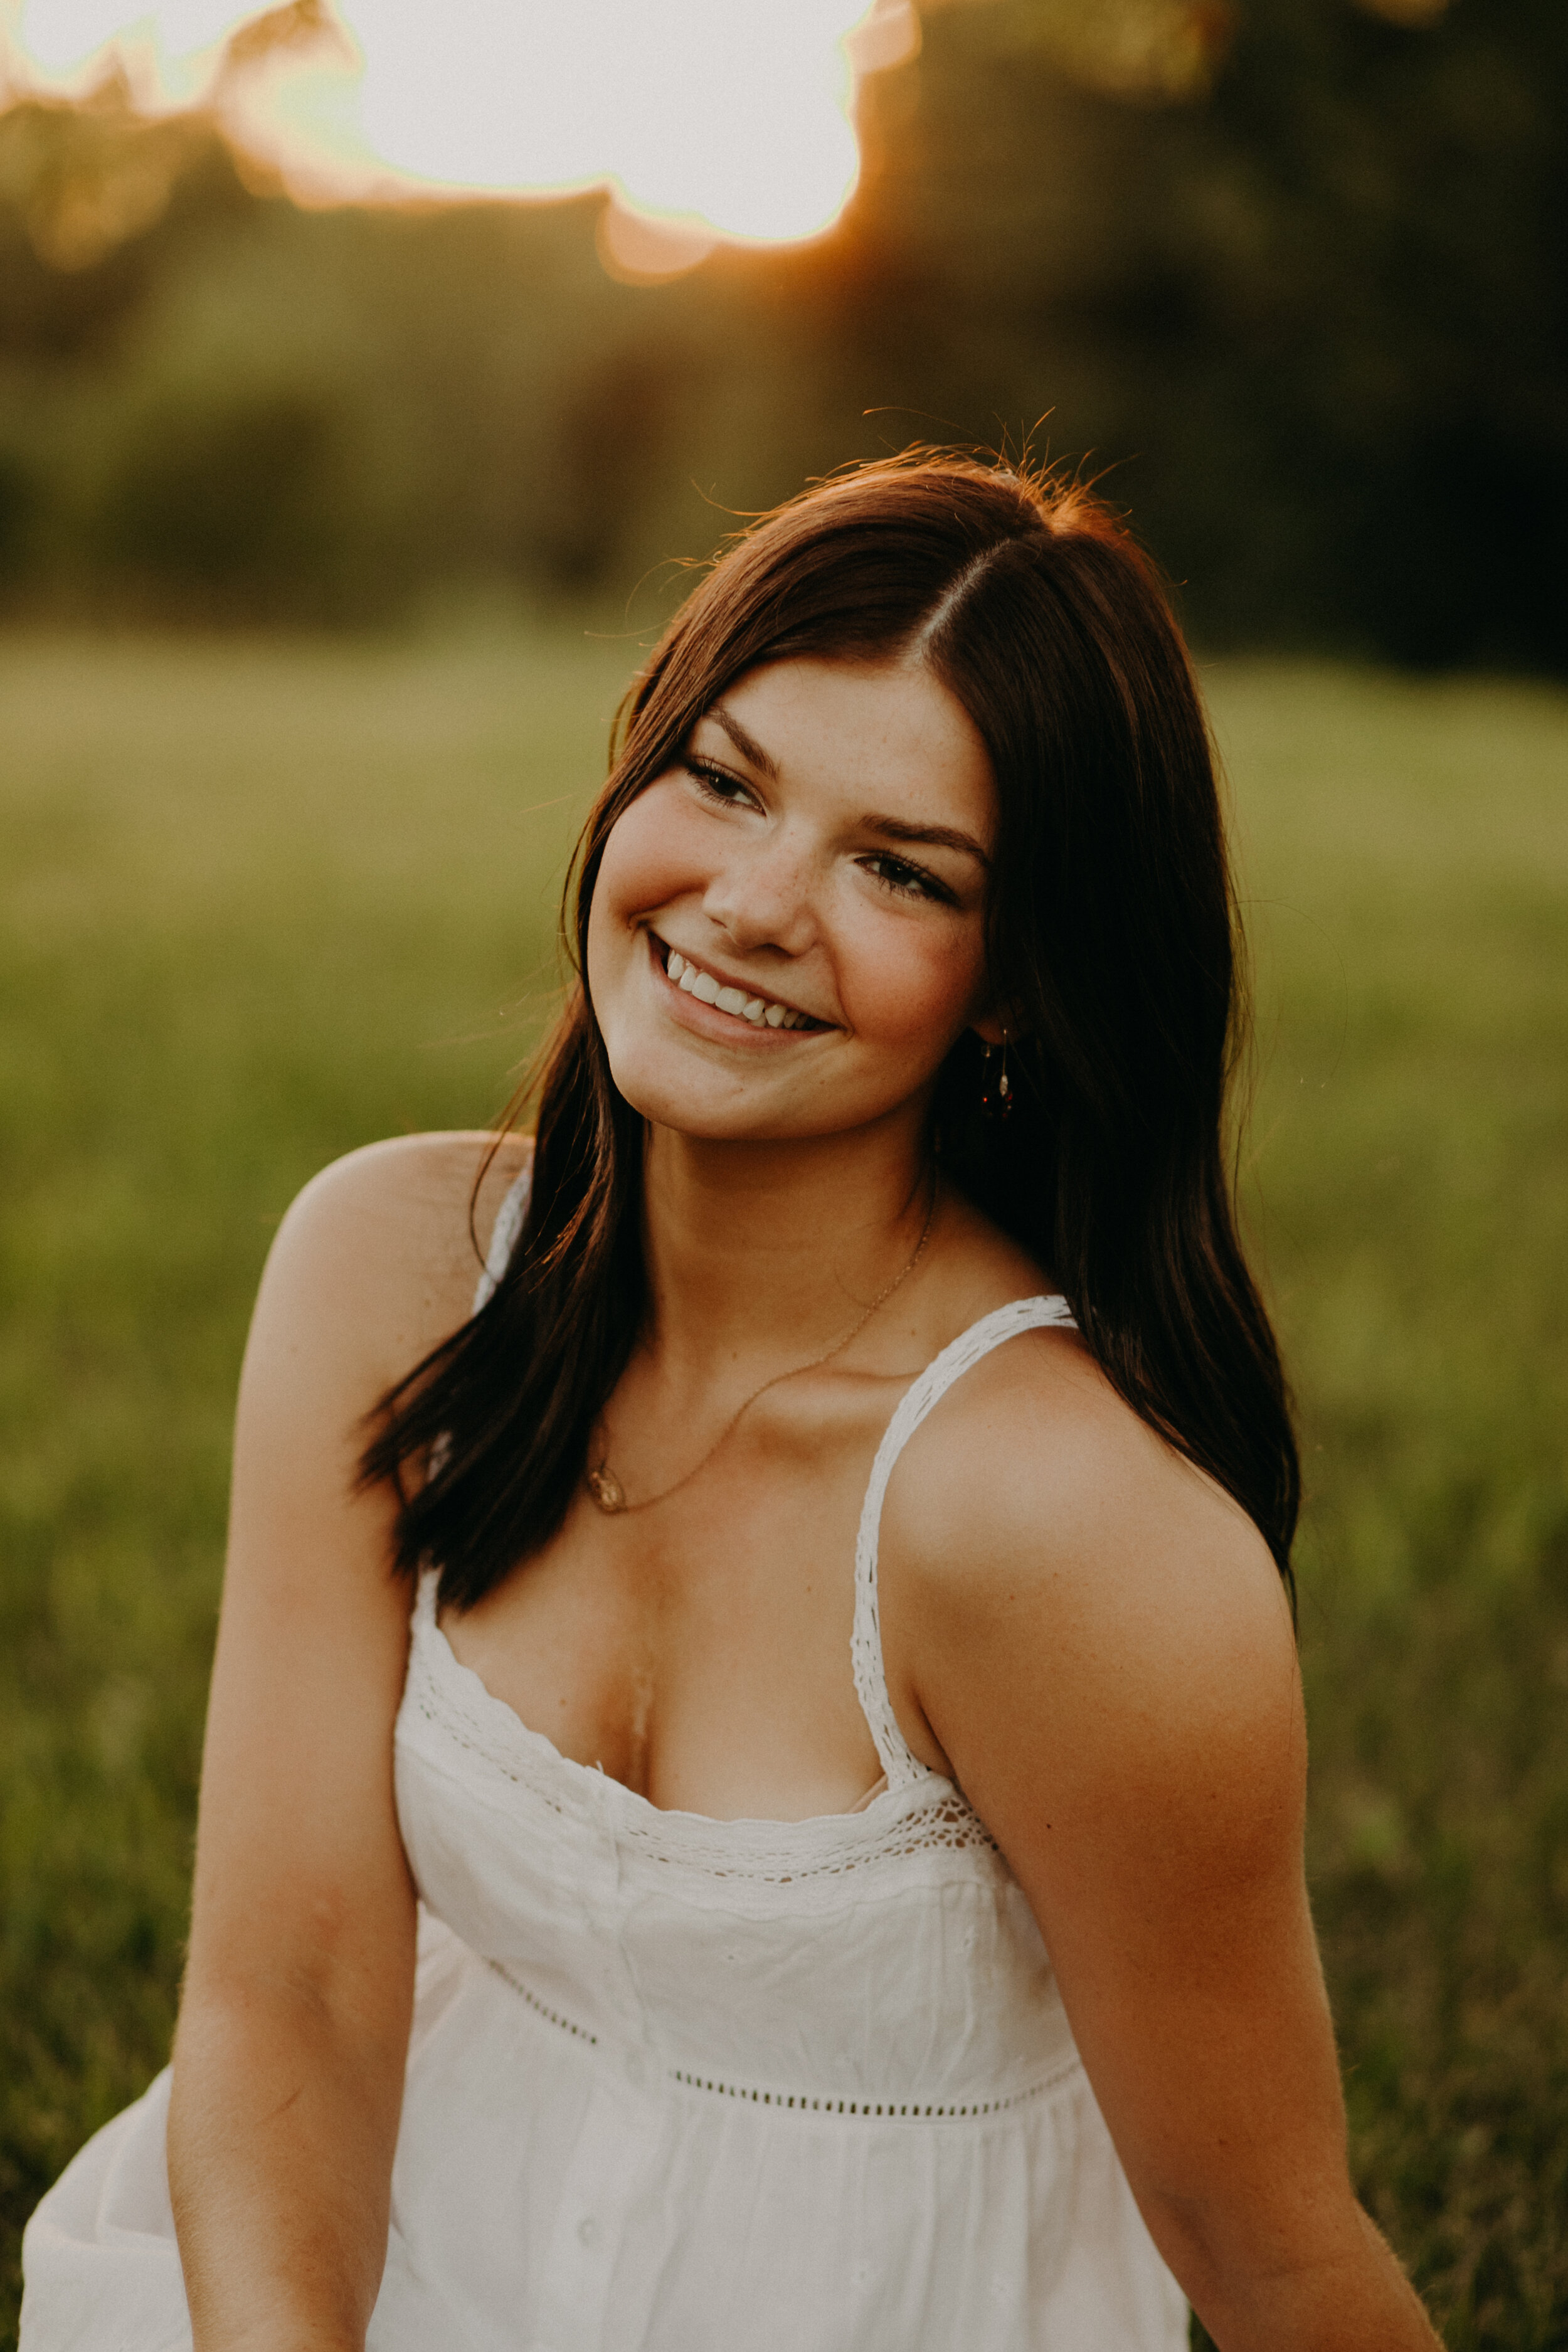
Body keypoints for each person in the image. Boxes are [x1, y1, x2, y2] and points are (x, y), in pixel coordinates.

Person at [21, 453, 1442, 2352]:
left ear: (1012, 983)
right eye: (723, 777)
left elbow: (1268, 2247)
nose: (753, 903)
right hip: (386, 2260)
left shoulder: (1055, 1522)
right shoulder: (390, 1273)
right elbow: (289, 1994)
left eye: (898, 868)